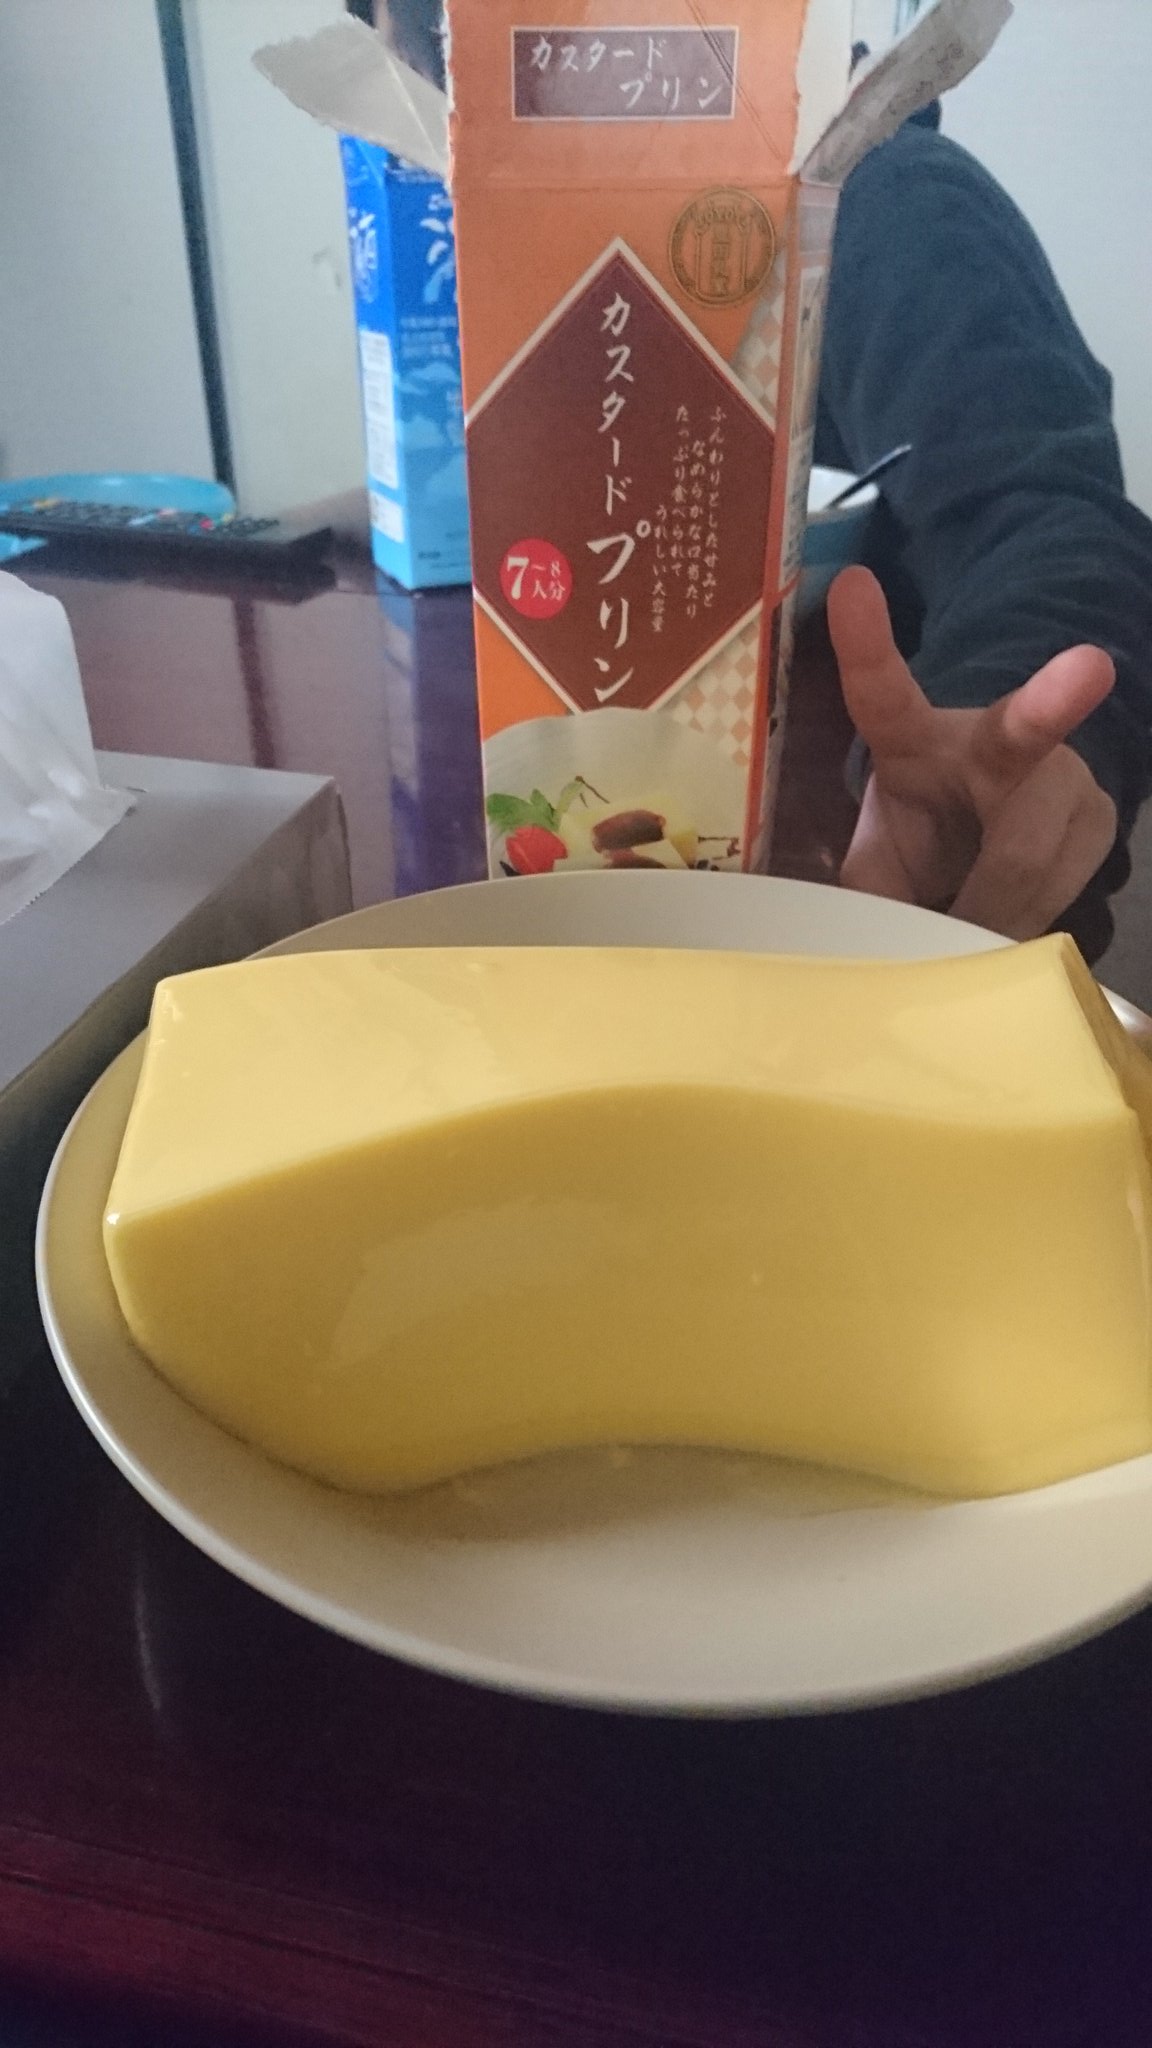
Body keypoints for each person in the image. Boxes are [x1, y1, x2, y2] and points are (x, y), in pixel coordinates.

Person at [817, 101, 1152, 958]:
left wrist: (990, 706)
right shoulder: (482, 239)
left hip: (880, 918)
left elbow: (1053, 522)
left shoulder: (885, 199)